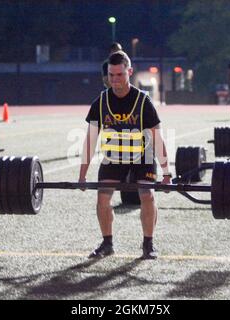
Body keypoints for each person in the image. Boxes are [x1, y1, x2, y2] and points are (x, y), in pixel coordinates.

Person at [79, 51, 171, 260]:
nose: (114, 80)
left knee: (147, 195)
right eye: (111, 75)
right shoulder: (100, 103)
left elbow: (157, 138)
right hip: (114, 158)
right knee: (102, 197)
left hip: (142, 158)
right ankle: (107, 243)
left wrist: (166, 173)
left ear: (129, 72)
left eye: (119, 75)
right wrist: (82, 175)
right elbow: (90, 141)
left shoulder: (143, 101)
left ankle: (148, 244)